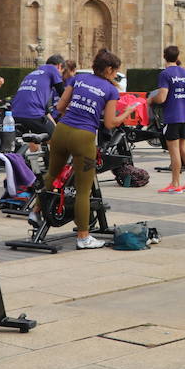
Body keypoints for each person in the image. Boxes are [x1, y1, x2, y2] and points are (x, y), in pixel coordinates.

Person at [40, 49, 142, 249]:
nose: (115, 75)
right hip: (83, 136)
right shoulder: (111, 90)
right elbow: (111, 123)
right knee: (83, 190)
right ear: (109, 69)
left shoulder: (78, 79)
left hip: (61, 131)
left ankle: (36, 212)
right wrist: (128, 111)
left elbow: (60, 107)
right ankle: (83, 236)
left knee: (52, 175)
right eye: (115, 72)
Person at [154, 45, 185, 194]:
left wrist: (150, 100)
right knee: (183, 148)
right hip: (184, 116)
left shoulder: (165, 74)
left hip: (172, 116)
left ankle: (175, 183)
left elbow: (161, 98)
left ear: (164, 56)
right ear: (177, 56)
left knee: (174, 151)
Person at [12, 55, 67, 144]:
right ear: (59, 66)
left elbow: (45, 110)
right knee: (57, 139)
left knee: (32, 141)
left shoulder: (33, 73)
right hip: (33, 115)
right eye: (62, 72)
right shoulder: (53, 69)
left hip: (15, 115)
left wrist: (54, 126)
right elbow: (63, 94)